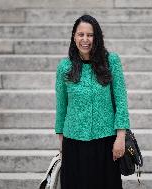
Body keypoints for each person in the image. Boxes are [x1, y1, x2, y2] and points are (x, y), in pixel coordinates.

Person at [54, 14, 130, 189]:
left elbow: (121, 100)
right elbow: (61, 105)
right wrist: (61, 142)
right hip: (73, 143)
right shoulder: (65, 67)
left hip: (105, 142)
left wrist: (120, 136)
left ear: (97, 37)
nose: (85, 39)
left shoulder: (112, 61)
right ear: (74, 37)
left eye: (90, 35)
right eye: (81, 34)